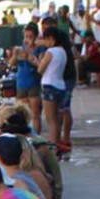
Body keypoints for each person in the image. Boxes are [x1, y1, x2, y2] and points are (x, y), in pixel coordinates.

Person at [36, 21, 72, 156]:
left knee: (50, 120)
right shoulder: (63, 51)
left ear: (51, 38)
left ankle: (52, 147)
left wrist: (39, 59)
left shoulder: (50, 52)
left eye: (45, 39)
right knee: (57, 118)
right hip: (60, 86)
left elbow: (40, 69)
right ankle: (57, 145)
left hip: (49, 86)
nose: (44, 42)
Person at [8, 21, 43, 133]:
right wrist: (15, 54)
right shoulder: (20, 48)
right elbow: (12, 63)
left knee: (35, 113)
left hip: (33, 82)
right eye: (26, 36)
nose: (28, 39)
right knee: (21, 113)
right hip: (21, 82)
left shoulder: (39, 48)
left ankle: (36, 137)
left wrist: (28, 54)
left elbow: (39, 65)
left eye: (30, 37)